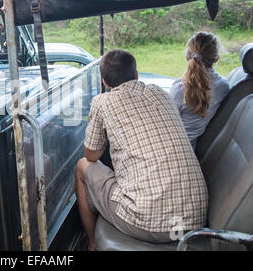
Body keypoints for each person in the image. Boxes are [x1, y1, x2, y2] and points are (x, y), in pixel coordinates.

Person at [75, 49, 208, 251]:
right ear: (137, 75)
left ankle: (92, 244)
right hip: (193, 221)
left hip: (147, 222)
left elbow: (91, 155)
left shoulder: (102, 102)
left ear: (104, 82)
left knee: (81, 166)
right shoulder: (160, 93)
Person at [170, 31, 229, 150]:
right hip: (191, 148)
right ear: (216, 58)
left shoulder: (179, 89)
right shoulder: (223, 86)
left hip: (172, 147)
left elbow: (167, 123)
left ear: (187, 56)